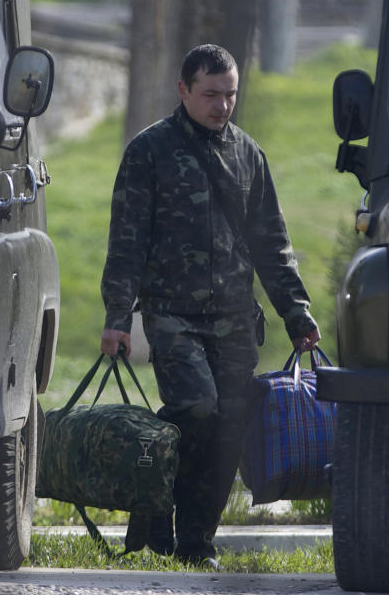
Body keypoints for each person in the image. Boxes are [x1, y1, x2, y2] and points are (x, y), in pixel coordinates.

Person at [100, 44, 320, 567]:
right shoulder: (148, 151)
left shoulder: (248, 154)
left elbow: (272, 242)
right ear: (183, 90)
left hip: (236, 321)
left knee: (228, 431)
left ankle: (196, 544)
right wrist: (117, 317)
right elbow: (127, 240)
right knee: (197, 409)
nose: (222, 105)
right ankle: (153, 510)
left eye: (230, 95)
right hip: (172, 315)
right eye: (210, 94)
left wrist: (296, 312)